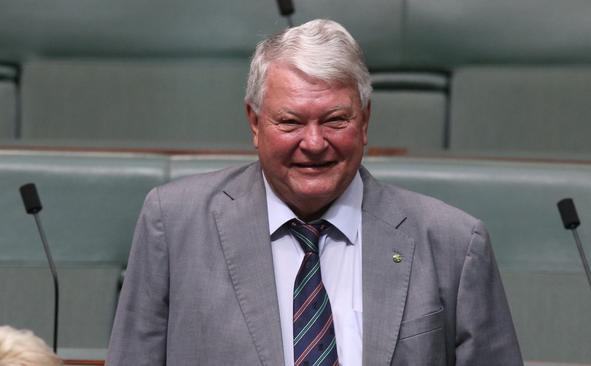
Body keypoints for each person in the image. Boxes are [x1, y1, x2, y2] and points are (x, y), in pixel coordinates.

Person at [107, 19, 523, 366]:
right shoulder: (175, 223)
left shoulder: (452, 243)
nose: (314, 142)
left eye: (335, 120)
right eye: (290, 122)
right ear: (254, 123)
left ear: (365, 121)